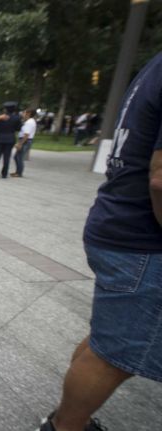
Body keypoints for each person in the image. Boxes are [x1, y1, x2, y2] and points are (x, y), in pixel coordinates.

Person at [38, 51, 162, 431]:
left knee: (107, 344)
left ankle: (66, 421)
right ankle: (67, 426)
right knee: (114, 357)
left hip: (122, 227)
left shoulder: (154, 65)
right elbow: (160, 180)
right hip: (143, 238)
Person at [0, 101, 21, 178]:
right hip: (10, 139)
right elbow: (18, 128)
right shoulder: (16, 118)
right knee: (7, 157)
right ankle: (4, 173)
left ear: (5, 109)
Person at [11, 109, 37, 177]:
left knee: (19, 157)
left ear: (28, 113)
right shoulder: (29, 121)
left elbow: (26, 135)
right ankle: (17, 171)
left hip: (25, 141)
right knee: (16, 157)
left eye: (24, 112)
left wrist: (20, 144)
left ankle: (19, 173)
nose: (22, 114)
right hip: (25, 140)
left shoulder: (29, 122)